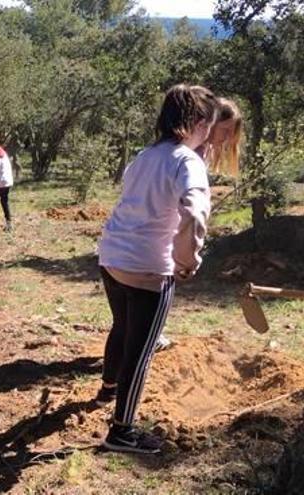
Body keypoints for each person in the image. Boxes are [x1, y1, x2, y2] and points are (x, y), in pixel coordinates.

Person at [94, 84, 218, 454]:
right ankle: (122, 431)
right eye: (208, 125)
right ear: (197, 122)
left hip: (112, 256)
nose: (210, 133)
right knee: (141, 351)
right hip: (148, 266)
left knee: (122, 326)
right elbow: (194, 210)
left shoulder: (144, 155)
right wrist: (187, 259)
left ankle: (109, 387)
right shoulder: (187, 161)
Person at [153, 96, 243, 352]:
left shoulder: (200, 150)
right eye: (225, 130)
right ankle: (150, 335)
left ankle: (152, 332)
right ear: (211, 122)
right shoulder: (188, 151)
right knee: (161, 277)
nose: (226, 139)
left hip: (173, 222)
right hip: (166, 223)